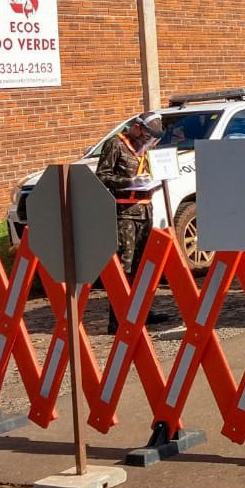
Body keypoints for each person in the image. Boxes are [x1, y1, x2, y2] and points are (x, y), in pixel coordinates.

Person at [96, 113, 168, 334]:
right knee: (124, 267)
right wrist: (128, 181)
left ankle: (142, 312)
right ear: (137, 128)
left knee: (142, 266)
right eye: (146, 135)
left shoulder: (145, 148)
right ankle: (117, 318)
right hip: (124, 213)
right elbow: (102, 176)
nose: (148, 141)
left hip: (145, 209)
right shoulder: (115, 144)